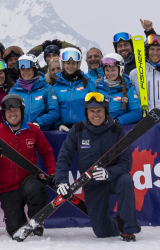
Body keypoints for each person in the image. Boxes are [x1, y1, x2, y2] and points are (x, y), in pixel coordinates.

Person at [53, 91, 141, 241]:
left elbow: (126, 163)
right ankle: (117, 223)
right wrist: (61, 180)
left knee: (126, 180)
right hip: (92, 184)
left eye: (99, 111)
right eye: (91, 111)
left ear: (105, 111)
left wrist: (109, 173)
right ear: (86, 112)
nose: (96, 115)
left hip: (114, 178)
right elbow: (64, 157)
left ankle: (128, 228)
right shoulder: (78, 130)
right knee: (102, 232)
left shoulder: (117, 131)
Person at [0, 93, 56, 237]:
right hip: (8, 188)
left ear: (22, 111)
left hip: (29, 180)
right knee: (15, 230)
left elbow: (47, 152)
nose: (13, 114)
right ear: (4, 113)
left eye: (16, 110)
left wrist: (52, 172)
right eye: (9, 111)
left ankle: (36, 219)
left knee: (36, 189)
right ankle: (19, 220)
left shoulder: (33, 130)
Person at [45, 48, 93, 129]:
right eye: (67, 63)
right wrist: (58, 124)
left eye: (74, 63)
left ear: (78, 64)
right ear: (63, 64)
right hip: (63, 130)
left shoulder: (88, 83)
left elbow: (94, 107)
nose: (71, 66)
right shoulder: (55, 87)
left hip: (84, 128)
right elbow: (53, 110)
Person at [96, 54, 143, 126]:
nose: (110, 73)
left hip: (119, 129)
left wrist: (117, 121)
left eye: (113, 70)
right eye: (107, 70)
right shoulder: (99, 87)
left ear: (120, 70)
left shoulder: (129, 88)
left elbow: (136, 113)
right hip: (100, 127)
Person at [7, 56, 53, 129]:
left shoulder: (46, 89)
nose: (25, 72)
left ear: (34, 70)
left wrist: (38, 122)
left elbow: (54, 112)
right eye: (22, 69)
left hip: (42, 132)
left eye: (28, 69)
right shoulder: (13, 91)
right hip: (20, 133)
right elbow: (8, 113)